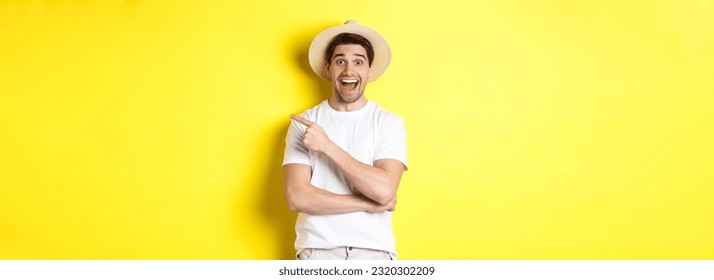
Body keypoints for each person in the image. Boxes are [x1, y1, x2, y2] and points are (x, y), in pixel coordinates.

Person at [282, 20, 408, 260]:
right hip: (318, 253)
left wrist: (327, 146)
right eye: (340, 61)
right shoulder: (305, 123)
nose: (349, 71)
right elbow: (297, 196)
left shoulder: (388, 123)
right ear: (329, 67)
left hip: (375, 254)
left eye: (358, 61)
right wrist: (368, 204)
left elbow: (383, 190)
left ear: (370, 69)